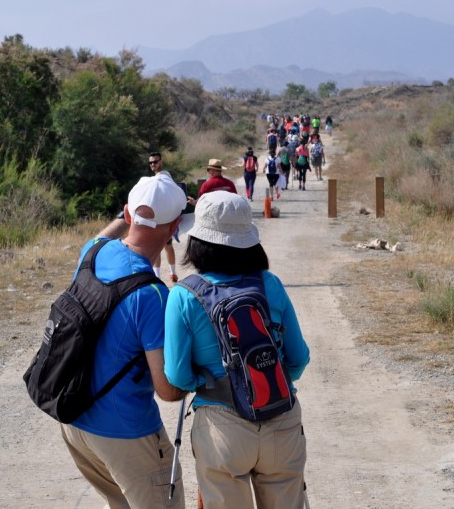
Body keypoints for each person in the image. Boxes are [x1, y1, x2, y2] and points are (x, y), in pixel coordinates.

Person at [163, 191, 310, 509]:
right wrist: (269, 380)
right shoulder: (270, 284)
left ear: (198, 241)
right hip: (280, 416)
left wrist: (203, 384)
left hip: (221, 425)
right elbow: (299, 358)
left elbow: (176, 374)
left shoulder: (184, 296)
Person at [61, 172, 188, 509]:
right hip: (126, 434)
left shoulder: (92, 254)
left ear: (127, 214)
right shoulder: (153, 295)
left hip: (76, 423)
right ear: (175, 228)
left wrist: (127, 215)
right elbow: (168, 391)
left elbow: (103, 236)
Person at [148, 152, 179, 282]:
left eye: (155, 161)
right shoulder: (159, 177)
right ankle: (163, 275)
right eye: (150, 163)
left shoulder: (164, 177)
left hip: (164, 218)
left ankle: (168, 274)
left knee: (163, 247)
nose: (153, 164)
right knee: (163, 247)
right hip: (158, 217)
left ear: (161, 162)